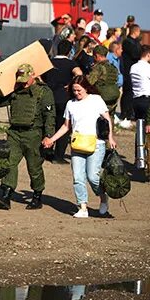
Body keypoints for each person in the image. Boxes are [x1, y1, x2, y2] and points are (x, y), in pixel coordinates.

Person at [43, 76, 117, 218]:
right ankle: (82, 207)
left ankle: (103, 198)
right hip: (77, 143)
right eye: (74, 90)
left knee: (93, 177)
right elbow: (66, 126)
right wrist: (52, 139)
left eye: (79, 90)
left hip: (96, 143)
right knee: (78, 177)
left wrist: (110, 137)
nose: (77, 93)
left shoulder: (96, 99)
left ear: (86, 88)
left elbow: (107, 120)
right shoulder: (70, 104)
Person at [0, 64, 55, 210]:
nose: (23, 82)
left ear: (33, 75)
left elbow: (49, 115)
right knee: (8, 163)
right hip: (15, 133)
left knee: (34, 167)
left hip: (34, 134)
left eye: (26, 79)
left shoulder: (43, 92)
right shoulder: (16, 90)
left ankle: (37, 195)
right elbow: (0, 103)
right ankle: (6, 195)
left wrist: (49, 136)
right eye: (21, 79)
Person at [42, 39, 82, 163]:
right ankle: (58, 156)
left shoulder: (49, 62)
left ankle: (46, 151)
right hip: (64, 99)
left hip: (48, 98)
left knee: (48, 124)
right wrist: (70, 84)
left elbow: (39, 76)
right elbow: (79, 74)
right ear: (69, 51)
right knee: (63, 126)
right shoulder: (71, 64)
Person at [87, 45, 120, 117]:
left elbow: (89, 82)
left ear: (97, 55)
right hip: (114, 96)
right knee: (110, 118)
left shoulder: (99, 67)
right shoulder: (112, 67)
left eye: (94, 56)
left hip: (102, 97)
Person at [130, 44, 150, 120]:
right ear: (148, 55)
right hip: (147, 100)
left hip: (135, 100)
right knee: (147, 126)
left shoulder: (133, 67)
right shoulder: (148, 68)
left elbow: (143, 77)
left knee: (139, 126)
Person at [120, 24, 142, 121]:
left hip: (135, 71)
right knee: (127, 92)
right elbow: (135, 54)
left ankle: (131, 112)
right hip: (128, 70)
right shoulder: (127, 42)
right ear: (135, 31)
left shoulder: (136, 42)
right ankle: (125, 113)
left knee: (134, 92)